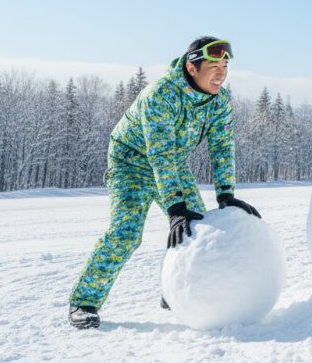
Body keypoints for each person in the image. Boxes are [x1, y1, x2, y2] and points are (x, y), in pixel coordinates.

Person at [68, 37, 261, 329]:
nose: (221, 73)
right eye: (213, 66)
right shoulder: (160, 95)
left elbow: (222, 146)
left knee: (196, 226)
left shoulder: (219, 101)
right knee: (127, 233)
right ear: (192, 67)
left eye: (225, 66)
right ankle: (84, 302)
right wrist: (175, 206)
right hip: (130, 162)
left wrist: (226, 194)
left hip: (171, 163)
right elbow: (160, 152)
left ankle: (174, 290)